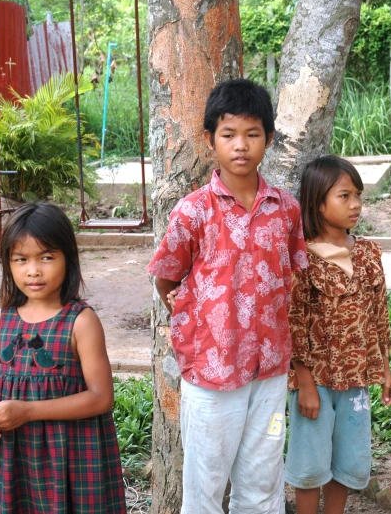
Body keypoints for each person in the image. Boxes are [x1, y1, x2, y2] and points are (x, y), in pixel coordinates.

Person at [146, 78, 308, 514]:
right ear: (209, 140)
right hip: (212, 372)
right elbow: (166, 278)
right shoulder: (193, 211)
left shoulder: (286, 209)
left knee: (263, 475)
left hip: (270, 369)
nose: (241, 145)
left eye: (253, 134)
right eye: (228, 134)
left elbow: (293, 274)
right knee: (205, 484)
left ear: (269, 139)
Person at [0, 203, 126, 514]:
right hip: (15, 454)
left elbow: (101, 398)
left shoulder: (80, 321)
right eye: (21, 259)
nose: (33, 270)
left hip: (73, 456)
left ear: (69, 259)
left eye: (47, 257)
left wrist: (27, 411)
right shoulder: (3, 320)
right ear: (8, 264)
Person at [285, 155, 391, 514]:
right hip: (314, 382)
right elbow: (294, 324)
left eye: (358, 196)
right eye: (344, 196)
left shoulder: (367, 253)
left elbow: (379, 313)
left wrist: (385, 368)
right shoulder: (301, 258)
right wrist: (304, 382)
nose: (356, 205)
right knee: (310, 465)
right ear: (318, 203)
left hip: (356, 380)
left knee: (347, 462)